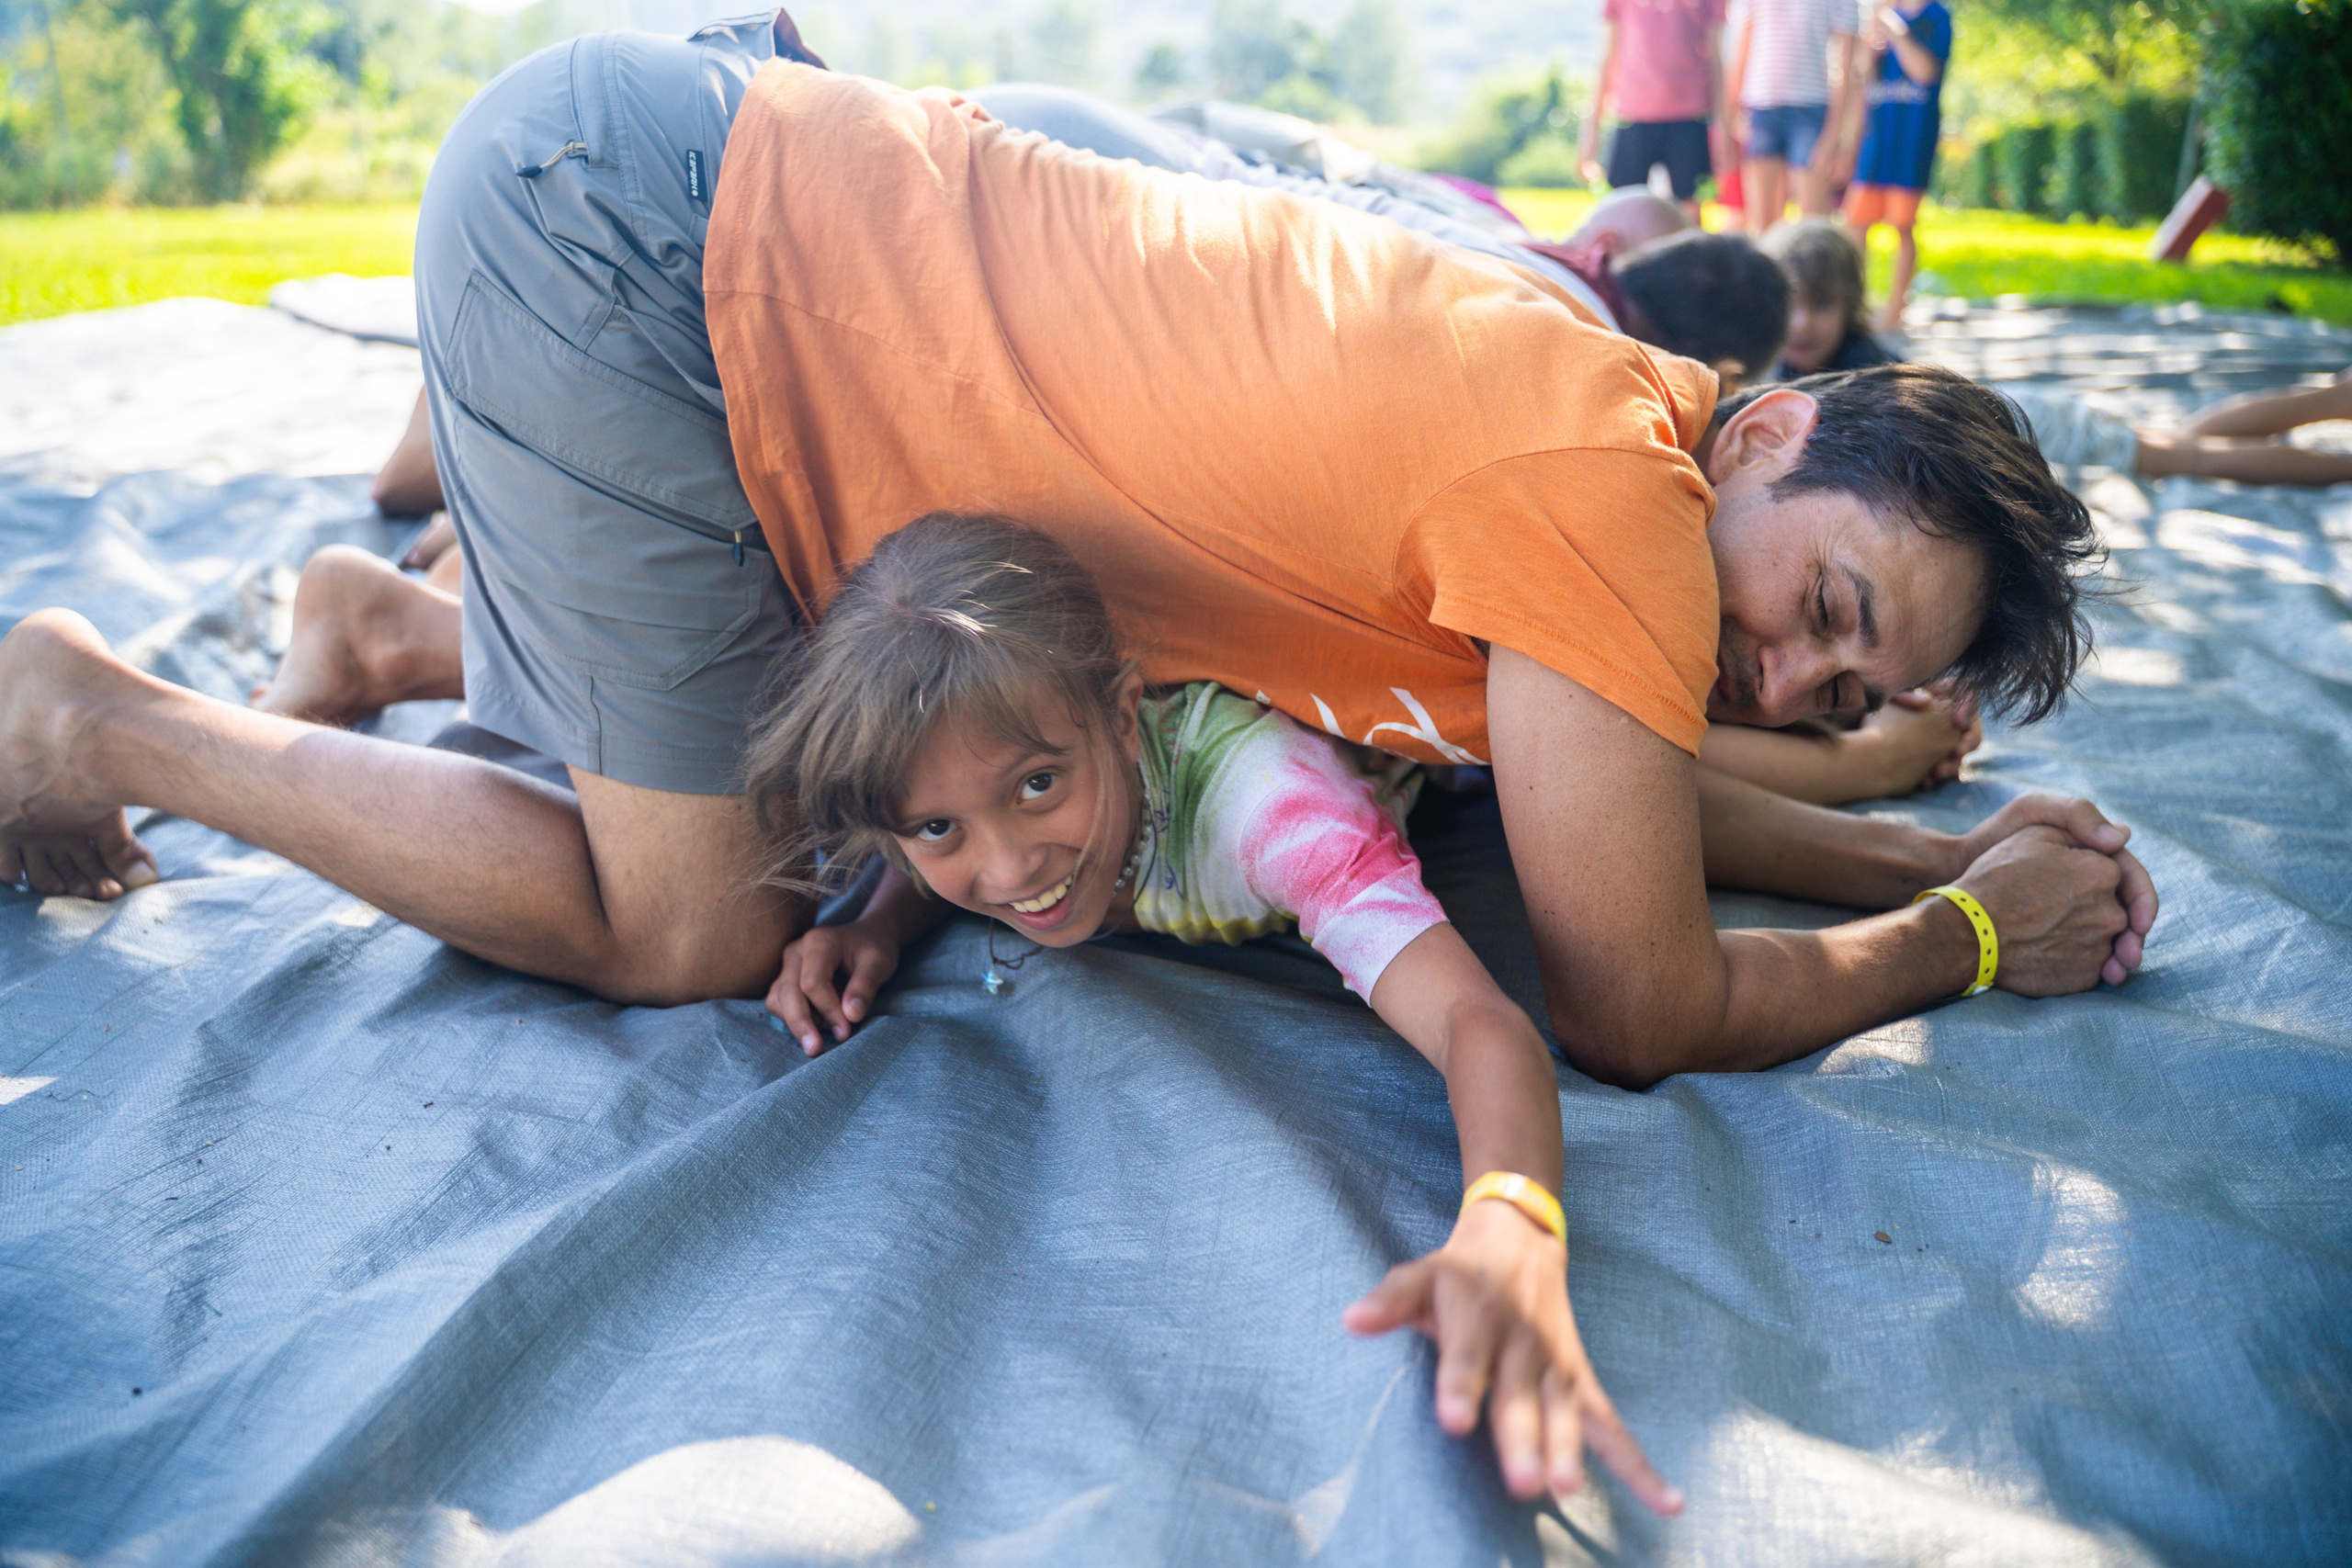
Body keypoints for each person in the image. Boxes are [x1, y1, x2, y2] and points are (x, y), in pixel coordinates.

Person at [1, 18, 2157, 1256]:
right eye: (1822, 611)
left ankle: (382, 627)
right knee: (670, 925)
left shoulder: (1598, 443)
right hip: (650, 255)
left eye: (1854, 694)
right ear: (1764, 422)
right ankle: (104, 714)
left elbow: (1595, 802)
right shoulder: (1603, 483)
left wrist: (1933, 844)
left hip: (710, 265)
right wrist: (1959, 941)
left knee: (776, 811)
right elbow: (1629, 988)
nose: (1788, 682)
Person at [752, 512, 1680, 1510]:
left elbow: (1474, 1024)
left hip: (1460, 754)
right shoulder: (976, 813)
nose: (1008, 865)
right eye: (939, 829)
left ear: (1119, 715)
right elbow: (941, 815)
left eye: (1038, 785)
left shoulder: (1270, 811)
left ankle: (1867, 807)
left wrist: (1512, 1216)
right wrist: (882, 924)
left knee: (1717, 816)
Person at [2001, 369, 2352, 487]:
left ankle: (2343, 458)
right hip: (2011, 405)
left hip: (2023, 430)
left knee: (2195, 458)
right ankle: (2339, 399)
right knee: (2186, 442)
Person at [1841, 0, 1951, 333]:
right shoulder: (1881, 19)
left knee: (1902, 225)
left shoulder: (1936, 17)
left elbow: (1924, 71)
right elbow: (1861, 77)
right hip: (1876, 141)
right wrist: (1868, 48)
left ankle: (1894, 312)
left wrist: (1895, 30)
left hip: (1911, 141)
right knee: (1855, 223)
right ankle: (1852, 307)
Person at [1577, 0, 1729, 222]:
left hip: (1689, 115)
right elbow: (1608, 58)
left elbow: (1717, 59)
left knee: (1690, 210)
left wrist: (1724, 129)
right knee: (1623, 208)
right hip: (1633, 114)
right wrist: (1590, 138)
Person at [1727, 0, 1860, 234]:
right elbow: (1742, 49)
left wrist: (1833, 136)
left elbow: (1847, 65)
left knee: (1813, 230)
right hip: (1761, 109)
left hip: (1813, 109)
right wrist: (1733, 112)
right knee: (1764, 230)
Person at [1762, 218, 1897, 378]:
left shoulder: (1867, 375)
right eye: (1788, 304)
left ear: (1850, 306)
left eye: (1821, 304)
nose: (1802, 324)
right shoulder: (1770, 362)